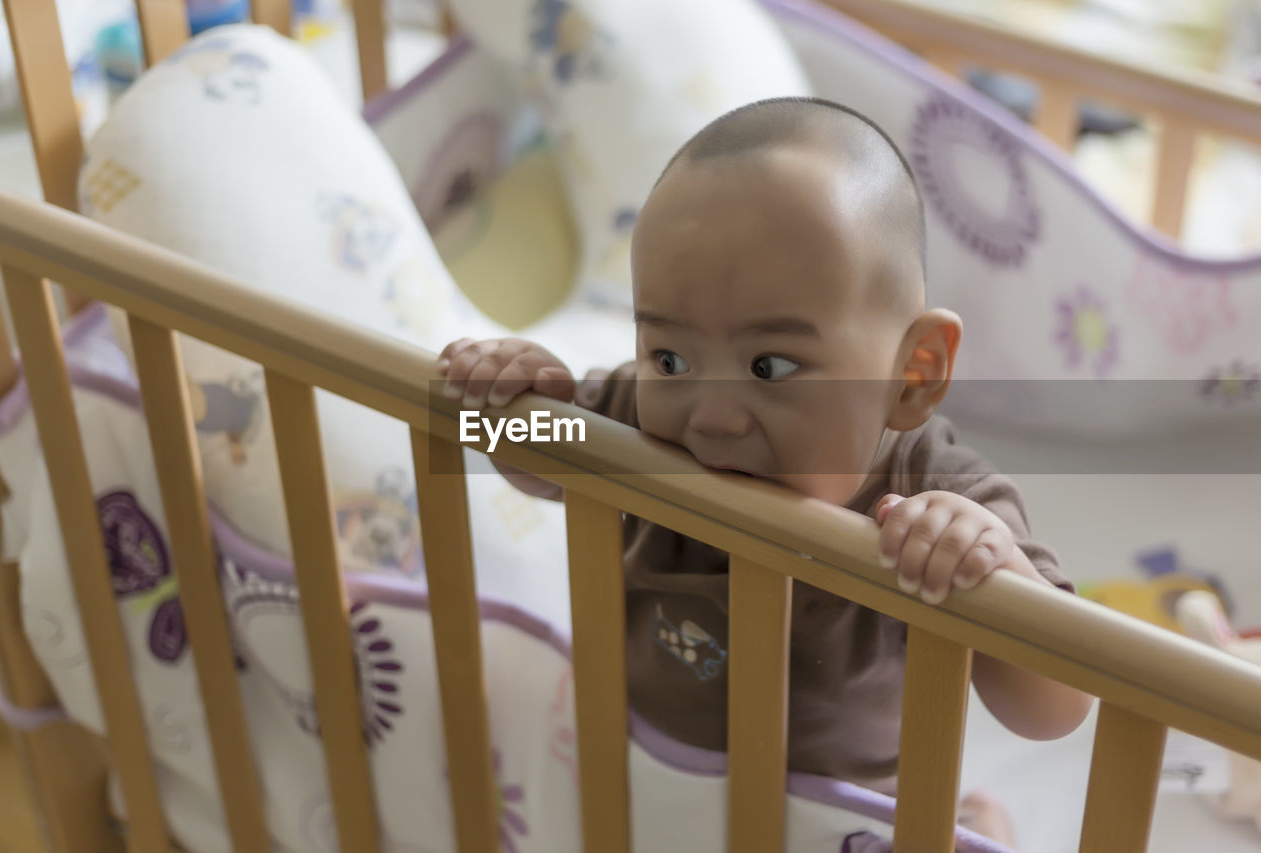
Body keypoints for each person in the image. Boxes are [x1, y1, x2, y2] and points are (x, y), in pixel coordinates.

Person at [436, 97, 1094, 845]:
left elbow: (1058, 706)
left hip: (849, 818)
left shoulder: (941, 498)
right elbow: (538, 462)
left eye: (770, 365)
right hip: (652, 782)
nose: (712, 415)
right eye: (671, 357)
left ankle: (975, 815)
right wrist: (515, 398)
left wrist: (989, 570)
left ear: (913, 373)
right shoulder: (639, 417)